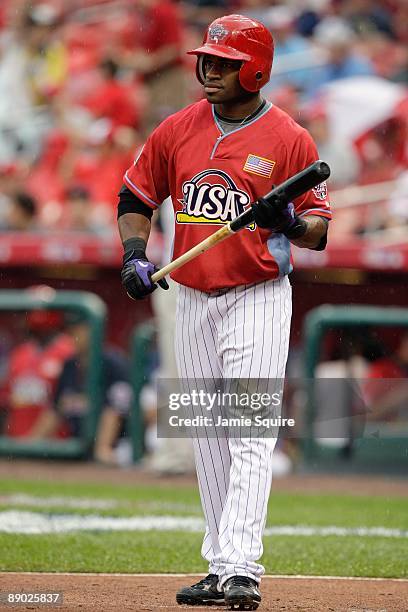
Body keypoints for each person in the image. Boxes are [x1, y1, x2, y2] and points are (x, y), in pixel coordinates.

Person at [117, 14, 331, 610]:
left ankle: (243, 568)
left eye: (224, 62)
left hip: (256, 296)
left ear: (255, 68)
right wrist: (135, 254)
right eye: (206, 59)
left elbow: (317, 230)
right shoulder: (177, 128)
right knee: (207, 435)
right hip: (190, 296)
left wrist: (286, 220)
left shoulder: (290, 137)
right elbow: (134, 198)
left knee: (251, 430)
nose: (209, 69)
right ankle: (219, 564)